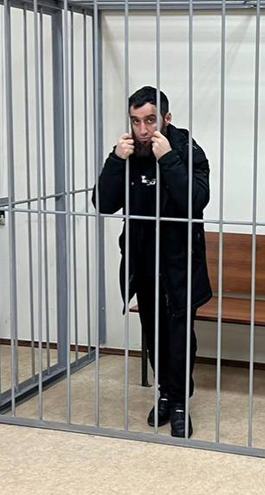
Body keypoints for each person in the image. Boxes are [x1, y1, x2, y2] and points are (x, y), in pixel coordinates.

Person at [94, 86, 211, 438]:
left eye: (150, 120)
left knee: (179, 336)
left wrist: (168, 160)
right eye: (136, 121)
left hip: (180, 262)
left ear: (166, 119)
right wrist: (116, 161)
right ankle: (165, 393)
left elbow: (196, 201)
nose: (143, 130)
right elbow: (103, 203)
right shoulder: (129, 153)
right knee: (154, 333)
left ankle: (179, 402)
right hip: (142, 260)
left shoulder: (188, 151)